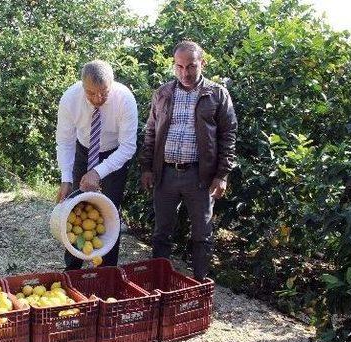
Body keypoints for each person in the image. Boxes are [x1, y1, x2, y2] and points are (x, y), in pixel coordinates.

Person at [139, 40, 237, 281]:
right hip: (166, 174)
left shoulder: (216, 94)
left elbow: (228, 135)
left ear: (202, 63)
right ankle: (158, 283)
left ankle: (200, 283)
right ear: (174, 65)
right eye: (179, 66)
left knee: (202, 234)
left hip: (199, 177)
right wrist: (147, 167)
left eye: (191, 66)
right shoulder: (162, 94)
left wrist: (221, 175)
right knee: (162, 232)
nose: (185, 72)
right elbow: (150, 132)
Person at [55, 60, 138, 270]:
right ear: (83, 86)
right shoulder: (70, 99)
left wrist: (99, 172)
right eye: (91, 93)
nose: (98, 98)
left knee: (110, 211)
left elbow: (128, 147)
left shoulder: (125, 99)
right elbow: (65, 140)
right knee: (75, 206)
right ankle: (73, 267)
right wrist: (66, 178)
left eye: (104, 92)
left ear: (112, 84)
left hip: (114, 154)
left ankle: (106, 270)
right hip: (84, 151)